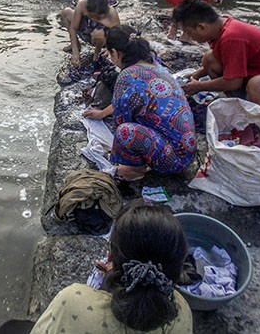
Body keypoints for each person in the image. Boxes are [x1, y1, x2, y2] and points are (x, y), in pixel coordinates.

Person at [30, 200, 193, 334]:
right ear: (177, 269)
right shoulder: (182, 313)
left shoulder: (72, 301)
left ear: (110, 257)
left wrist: (107, 285)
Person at [171, 0, 260, 115]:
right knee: (209, 59)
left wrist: (199, 87)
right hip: (249, 80)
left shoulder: (231, 37)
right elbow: (226, 60)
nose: (191, 37)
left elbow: (233, 82)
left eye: (189, 32)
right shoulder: (220, 27)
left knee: (258, 84)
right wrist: (198, 74)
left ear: (201, 27)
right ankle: (240, 107)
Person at [105, 26, 196, 181]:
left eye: (109, 54)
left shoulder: (127, 76)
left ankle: (135, 170)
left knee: (124, 131)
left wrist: (118, 155)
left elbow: (121, 120)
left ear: (115, 52)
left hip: (174, 161)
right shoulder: (156, 66)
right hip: (185, 150)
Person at [60, 0, 120, 68]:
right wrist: (75, 53)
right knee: (66, 12)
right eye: (91, 16)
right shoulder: (82, 4)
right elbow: (73, 28)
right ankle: (75, 44)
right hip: (86, 29)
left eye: (98, 18)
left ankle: (96, 55)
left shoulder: (112, 13)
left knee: (99, 33)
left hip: (101, 38)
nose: (94, 19)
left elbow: (117, 36)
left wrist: (108, 49)